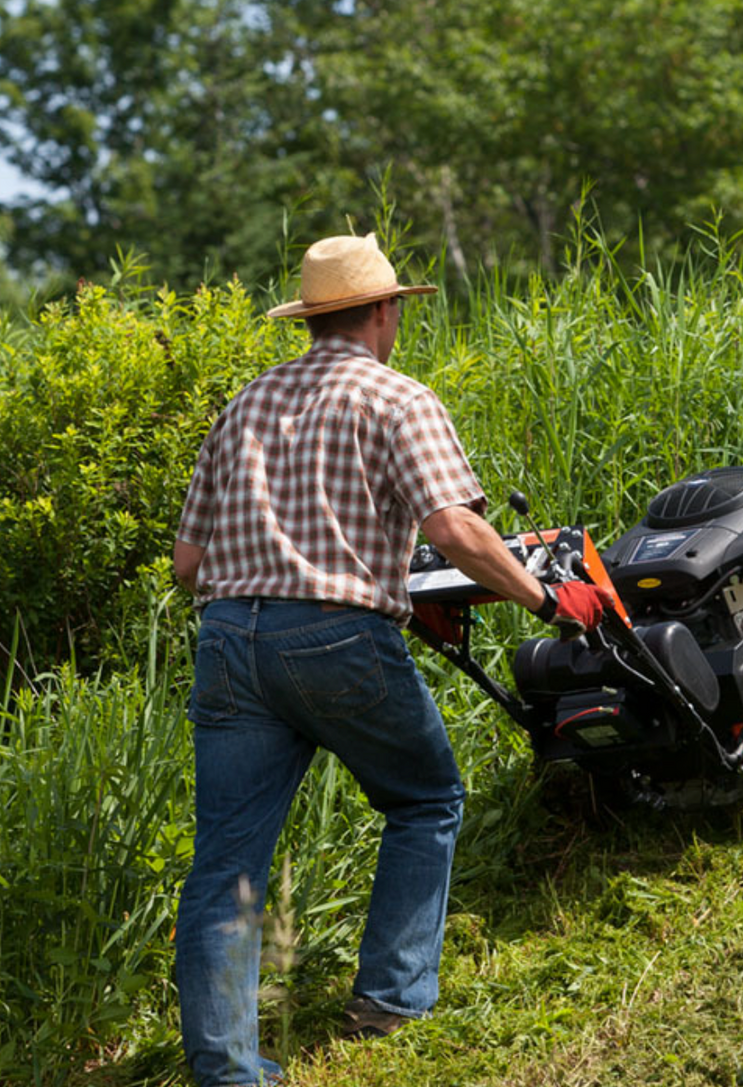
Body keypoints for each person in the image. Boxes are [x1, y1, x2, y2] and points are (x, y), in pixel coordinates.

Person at [171, 232, 611, 1086]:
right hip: (334, 637)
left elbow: (189, 564)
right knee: (427, 796)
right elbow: (455, 530)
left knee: (227, 861)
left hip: (227, 640)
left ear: (312, 318)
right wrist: (547, 600)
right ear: (383, 310)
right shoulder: (397, 399)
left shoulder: (243, 406)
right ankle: (391, 997)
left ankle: (226, 1069)